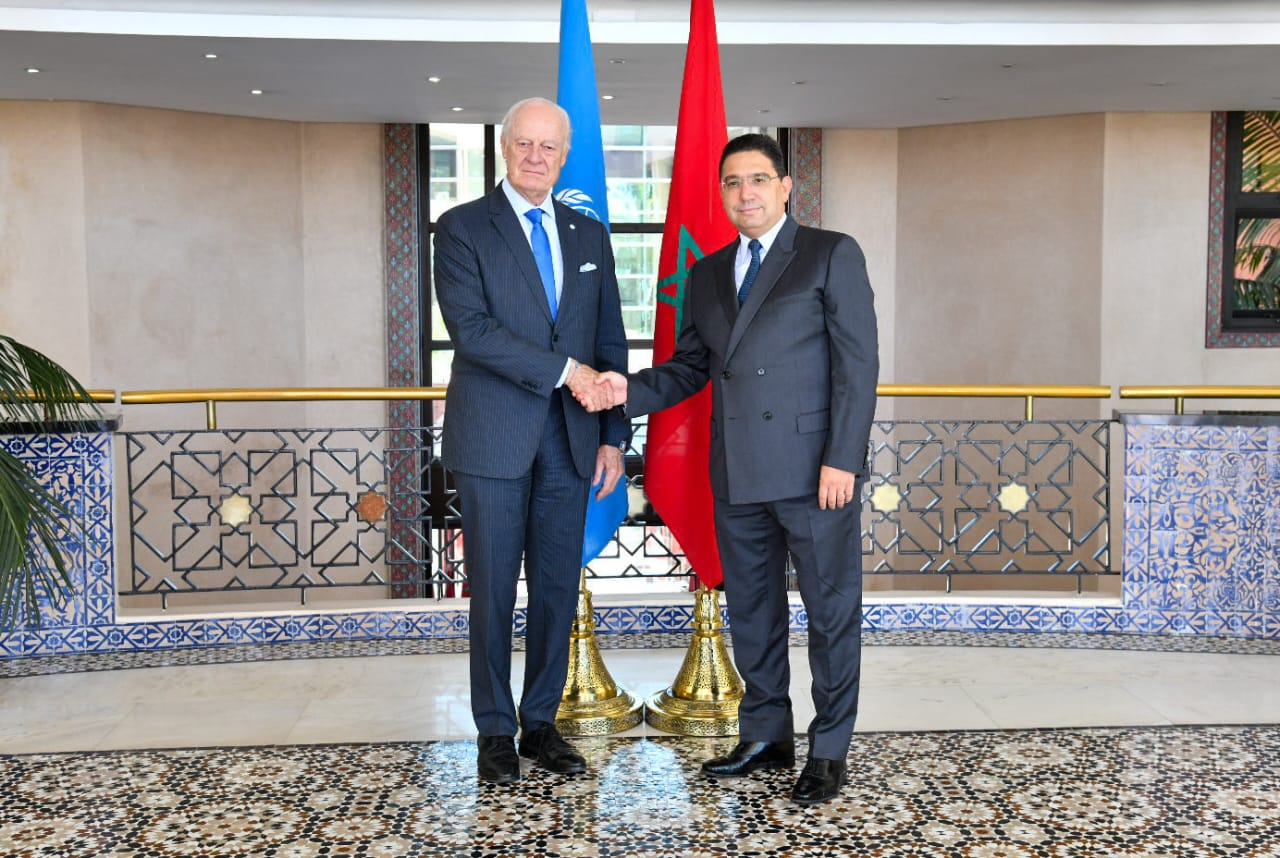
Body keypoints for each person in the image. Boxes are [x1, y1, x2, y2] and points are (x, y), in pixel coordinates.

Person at [588, 133, 878, 806]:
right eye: (732, 182)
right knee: (753, 614)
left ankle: (828, 749)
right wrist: (625, 390)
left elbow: (858, 366)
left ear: (785, 187)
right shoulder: (709, 273)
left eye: (757, 179)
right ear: (721, 193)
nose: (745, 193)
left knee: (831, 615)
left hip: (816, 474)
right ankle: (767, 735)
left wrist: (843, 459)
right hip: (738, 472)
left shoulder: (830, 253)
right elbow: (690, 368)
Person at [433, 96, 629, 785]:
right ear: (504, 147)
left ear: (565, 156)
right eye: (525, 143)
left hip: (573, 439)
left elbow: (608, 339)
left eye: (549, 147)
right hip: (494, 436)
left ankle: (540, 722)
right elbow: (474, 333)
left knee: (555, 588)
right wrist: (568, 372)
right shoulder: (462, 228)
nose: (536, 157)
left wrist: (613, 436)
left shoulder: (588, 234)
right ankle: (494, 729)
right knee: (491, 590)